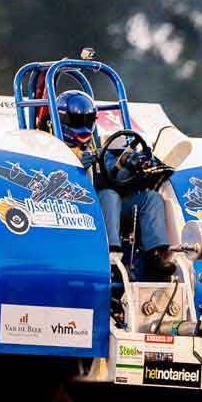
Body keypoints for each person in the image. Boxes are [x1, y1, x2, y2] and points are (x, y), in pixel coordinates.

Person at [53, 90, 174, 280]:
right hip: (77, 209)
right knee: (109, 195)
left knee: (151, 198)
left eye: (88, 120)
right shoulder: (52, 147)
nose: (84, 126)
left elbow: (111, 169)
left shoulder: (99, 145)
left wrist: (137, 163)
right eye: (78, 121)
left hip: (108, 207)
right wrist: (76, 162)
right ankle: (112, 257)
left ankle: (154, 255)